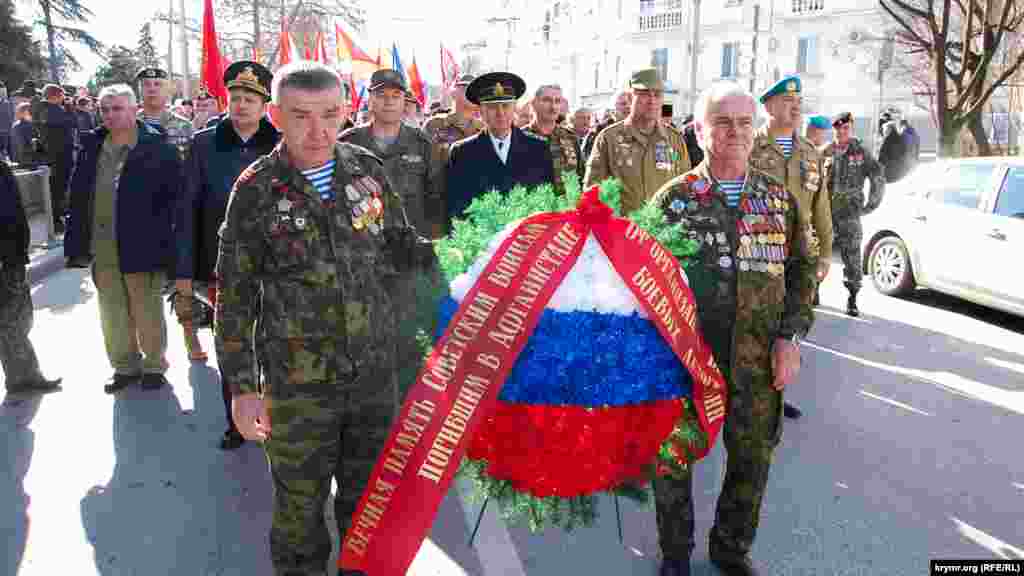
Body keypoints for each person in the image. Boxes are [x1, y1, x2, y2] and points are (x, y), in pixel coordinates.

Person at [214, 60, 416, 576]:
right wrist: (242, 388)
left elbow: (404, 253)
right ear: (276, 116)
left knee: (370, 509)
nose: (318, 130)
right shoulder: (256, 188)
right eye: (301, 116)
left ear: (345, 108)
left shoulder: (368, 171)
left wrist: (487, 258)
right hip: (297, 387)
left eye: (329, 114)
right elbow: (234, 297)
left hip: (373, 378)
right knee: (299, 517)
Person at [651, 81, 816, 576]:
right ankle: (675, 554)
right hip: (686, 363)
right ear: (700, 132)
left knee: (752, 461)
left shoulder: (778, 200)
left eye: (744, 122)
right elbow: (645, 284)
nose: (735, 132)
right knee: (674, 461)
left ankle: (730, 549)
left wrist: (791, 338)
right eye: (722, 122)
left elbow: (802, 273)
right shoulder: (672, 201)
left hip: (757, 360)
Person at [175, 61, 280, 450]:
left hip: (277, 264)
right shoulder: (204, 144)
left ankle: (272, 418)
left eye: (250, 99)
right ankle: (236, 423)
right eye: (235, 97)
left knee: (274, 344)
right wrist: (184, 272)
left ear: (265, 103)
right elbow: (186, 209)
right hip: (223, 266)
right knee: (232, 344)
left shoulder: (282, 141)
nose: (241, 105)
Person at [64, 84, 179, 394]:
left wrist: (173, 250)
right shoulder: (92, 146)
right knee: (112, 311)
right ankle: (125, 367)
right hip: (102, 245)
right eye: (105, 109)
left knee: (147, 309)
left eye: (118, 108)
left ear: (133, 109)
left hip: (144, 242)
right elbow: (77, 196)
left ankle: (154, 365)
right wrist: (75, 244)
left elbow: (175, 202)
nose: (111, 115)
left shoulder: (158, 146)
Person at [749, 75, 830, 421]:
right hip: (755, 251)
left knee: (790, 327)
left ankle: (777, 395)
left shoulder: (810, 153)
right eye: (786, 101)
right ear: (768, 106)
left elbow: (820, 208)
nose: (795, 107)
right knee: (753, 327)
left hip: (797, 259)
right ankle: (745, 395)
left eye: (798, 102)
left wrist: (825, 253)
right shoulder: (750, 146)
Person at [340, 69, 440, 237]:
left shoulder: (423, 144)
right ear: (370, 99)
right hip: (362, 247)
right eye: (381, 95)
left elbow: (437, 200)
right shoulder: (348, 142)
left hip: (411, 246)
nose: (389, 102)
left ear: (404, 100)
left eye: (396, 96)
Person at [445, 71, 555, 222]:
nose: (500, 113)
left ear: (514, 108)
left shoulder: (538, 148)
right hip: (482, 241)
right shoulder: (462, 152)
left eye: (505, 106)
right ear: (481, 111)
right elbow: (457, 210)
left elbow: (547, 202)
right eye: (492, 107)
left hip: (527, 239)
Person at [583, 68, 691, 215]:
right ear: (630, 97)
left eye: (657, 94)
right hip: (623, 232)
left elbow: (685, 187)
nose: (652, 100)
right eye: (644, 94)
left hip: (664, 232)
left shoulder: (674, 139)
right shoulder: (609, 138)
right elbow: (592, 192)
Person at [1, 160, 62, 396]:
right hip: (8, 260)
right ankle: (24, 376)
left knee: (16, 319)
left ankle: (20, 376)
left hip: (12, 258)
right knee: (14, 320)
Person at [822, 112, 885, 317]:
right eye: (838, 129)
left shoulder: (860, 152)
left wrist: (871, 204)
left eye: (846, 128)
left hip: (849, 213)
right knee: (818, 252)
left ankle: (852, 298)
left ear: (851, 128)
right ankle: (812, 290)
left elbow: (877, 175)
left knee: (852, 256)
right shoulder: (826, 152)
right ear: (834, 130)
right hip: (825, 212)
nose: (842, 132)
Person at [523, 84, 584, 193]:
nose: (553, 107)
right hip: (535, 207)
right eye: (547, 100)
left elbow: (581, 175)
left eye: (557, 101)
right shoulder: (520, 137)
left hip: (566, 206)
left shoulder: (570, 137)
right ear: (533, 104)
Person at [37, 84, 76, 235]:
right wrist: (70, 109)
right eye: (61, 95)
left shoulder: (48, 109)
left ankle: (58, 218)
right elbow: (72, 123)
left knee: (58, 189)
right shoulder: (50, 110)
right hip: (58, 156)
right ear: (54, 95)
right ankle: (56, 221)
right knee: (57, 189)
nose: (63, 98)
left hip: (58, 154)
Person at [135, 67, 194, 162]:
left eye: (157, 84)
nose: (152, 89)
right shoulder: (128, 124)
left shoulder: (184, 126)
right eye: (146, 84)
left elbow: (190, 165)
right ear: (139, 90)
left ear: (167, 90)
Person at [581, 88, 632, 163]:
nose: (628, 107)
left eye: (631, 103)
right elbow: (587, 159)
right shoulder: (599, 130)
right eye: (623, 104)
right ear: (614, 109)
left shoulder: (642, 129)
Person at [877, 109, 907, 183]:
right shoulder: (900, 139)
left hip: (889, 175)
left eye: (885, 131)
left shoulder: (888, 142)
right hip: (899, 175)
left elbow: (882, 159)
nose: (884, 133)